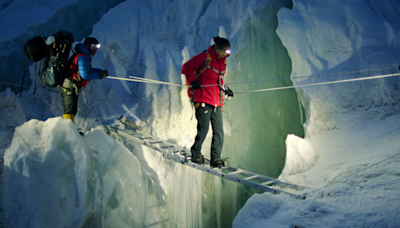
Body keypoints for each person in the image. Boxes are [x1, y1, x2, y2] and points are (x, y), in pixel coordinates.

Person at [181, 37, 234, 168]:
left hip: (216, 102)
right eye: (224, 52)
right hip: (202, 99)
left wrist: (227, 90)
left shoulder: (222, 63)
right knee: (204, 129)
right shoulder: (205, 57)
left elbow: (219, 79)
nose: (225, 55)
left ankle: (216, 159)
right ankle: (196, 154)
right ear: (217, 48)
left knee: (218, 132)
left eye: (227, 53)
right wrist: (193, 82)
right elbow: (186, 67)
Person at [59, 37, 108, 126]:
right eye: (93, 47)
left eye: (96, 47)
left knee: (71, 110)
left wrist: (100, 72)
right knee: (69, 110)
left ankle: (70, 130)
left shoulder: (83, 56)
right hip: (69, 86)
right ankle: (68, 132)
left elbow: (86, 70)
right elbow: (85, 75)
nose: (95, 50)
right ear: (87, 46)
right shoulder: (83, 57)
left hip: (69, 86)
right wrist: (99, 76)